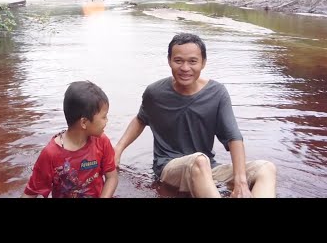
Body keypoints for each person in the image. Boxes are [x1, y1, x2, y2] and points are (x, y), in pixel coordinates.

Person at [114, 33, 276, 198]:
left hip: (208, 169)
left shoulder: (217, 93)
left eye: (192, 61)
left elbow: (234, 137)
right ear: (169, 60)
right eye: (178, 61)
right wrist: (118, 150)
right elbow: (141, 119)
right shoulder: (155, 93)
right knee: (199, 161)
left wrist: (241, 182)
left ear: (203, 63)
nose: (185, 68)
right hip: (169, 168)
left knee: (266, 168)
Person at [22, 81, 118, 198]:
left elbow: (111, 177)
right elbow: (31, 193)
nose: (106, 121)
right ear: (84, 122)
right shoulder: (51, 154)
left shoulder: (102, 141)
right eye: (104, 117)